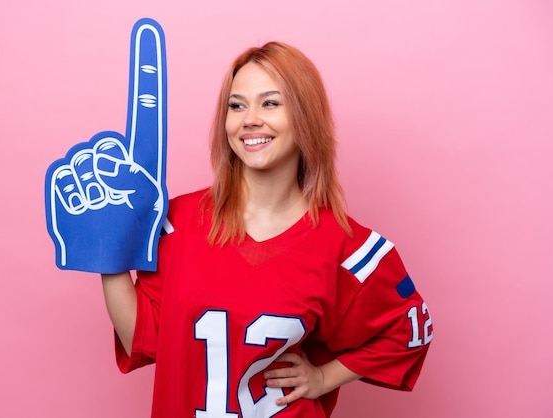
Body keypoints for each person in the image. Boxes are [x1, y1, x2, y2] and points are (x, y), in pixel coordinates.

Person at [101, 41, 433, 417]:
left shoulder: (346, 248)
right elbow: (143, 340)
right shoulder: (176, 223)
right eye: (236, 105)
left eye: (270, 103)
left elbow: (407, 330)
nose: (249, 119)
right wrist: (104, 254)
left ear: (305, 117)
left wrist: (324, 377)